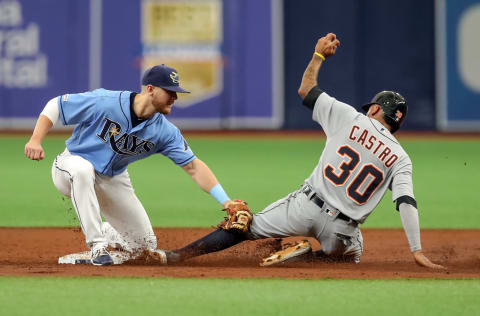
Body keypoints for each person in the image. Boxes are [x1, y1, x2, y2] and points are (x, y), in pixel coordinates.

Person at [159, 33, 445, 269]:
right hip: (341, 231)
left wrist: (319, 55)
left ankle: (176, 256)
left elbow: (306, 89)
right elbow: (406, 202)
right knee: (351, 255)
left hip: (305, 206)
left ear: (373, 109)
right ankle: (304, 258)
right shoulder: (400, 157)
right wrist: (417, 251)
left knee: (244, 225)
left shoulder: (350, 117)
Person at [24, 64, 234, 266]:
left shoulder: (165, 132)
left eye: (176, 92)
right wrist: (35, 140)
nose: (175, 97)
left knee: (144, 246)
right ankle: (98, 245)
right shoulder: (106, 101)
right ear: (150, 89)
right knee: (83, 170)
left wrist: (227, 202)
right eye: (170, 91)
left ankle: (105, 231)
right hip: (70, 165)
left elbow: (194, 167)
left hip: (112, 178)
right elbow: (56, 105)